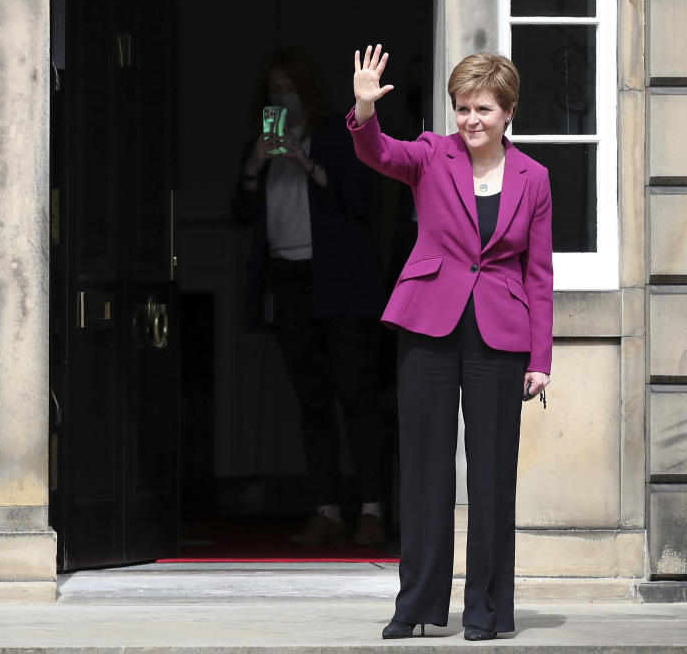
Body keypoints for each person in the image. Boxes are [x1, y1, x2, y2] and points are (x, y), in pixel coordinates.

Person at [346, 45, 553, 641]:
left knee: (491, 477)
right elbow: (377, 152)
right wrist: (364, 108)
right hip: (428, 326)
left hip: (500, 333)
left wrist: (540, 358)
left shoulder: (533, 178)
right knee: (425, 471)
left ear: (508, 111)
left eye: (483, 108)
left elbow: (538, 273)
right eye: (462, 108)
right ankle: (415, 605)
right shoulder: (433, 155)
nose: (471, 120)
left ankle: (485, 610)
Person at [231, 48, 389, 548]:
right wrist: (255, 164)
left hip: (341, 283)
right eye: (273, 91)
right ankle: (326, 510)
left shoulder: (337, 134)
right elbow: (238, 213)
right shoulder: (262, 143)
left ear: (306, 91)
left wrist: (306, 163)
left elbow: (357, 200)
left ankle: (371, 509)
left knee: (357, 398)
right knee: (312, 402)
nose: (280, 98)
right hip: (290, 282)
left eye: (288, 89)